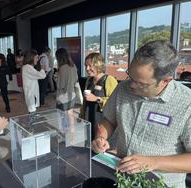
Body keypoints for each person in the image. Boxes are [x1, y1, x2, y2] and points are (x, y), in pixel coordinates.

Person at [92, 40, 191, 188]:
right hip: (121, 178)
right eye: (130, 76)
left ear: (165, 81)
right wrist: (101, 137)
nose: (131, 85)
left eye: (141, 83)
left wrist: (153, 162)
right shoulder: (123, 88)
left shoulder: (186, 103)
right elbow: (109, 120)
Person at [80, 52, 118, 140]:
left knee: (99, 144)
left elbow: (115, 103)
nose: (87, 68)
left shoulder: (109, 80)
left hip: (102, 121)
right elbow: (85, 101)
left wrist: (97, 99)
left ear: (98, 65)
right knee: (89, 142)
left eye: (90, 66)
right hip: (88, 117)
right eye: (86, 66)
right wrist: (82, 114)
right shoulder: (89, 80)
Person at [55, 48, 79, 140]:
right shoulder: (73, 66)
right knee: (70, 115)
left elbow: (60, 85)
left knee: (61, 117)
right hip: (72, 95)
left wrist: (56, 78)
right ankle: (72, 136)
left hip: (62, 97)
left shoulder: (62, 68)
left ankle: (63, 137)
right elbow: (76, 80)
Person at [22, 49, 46, 113]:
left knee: (32, 113)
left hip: (31, 94)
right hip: (31, 95)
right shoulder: (27, 68)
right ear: (31, 58)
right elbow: (41, 75)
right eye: (36, 58)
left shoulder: (28, 67)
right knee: (32, 114)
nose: (37, 60)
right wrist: (43, 69)